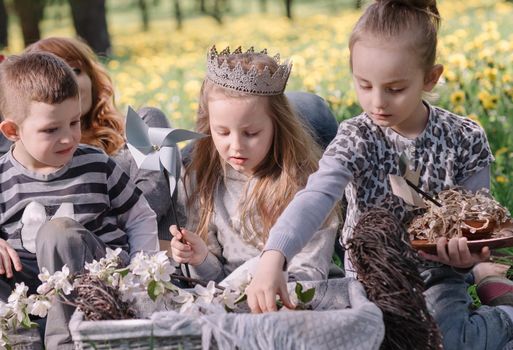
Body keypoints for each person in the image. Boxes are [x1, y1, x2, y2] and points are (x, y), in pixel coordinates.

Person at [245, 0, 513, 348]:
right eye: (364, 85)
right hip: (372, 276)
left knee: (446, 341)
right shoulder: (356, 136)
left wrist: (468, 258)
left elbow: (479, 221)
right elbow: (316, 196)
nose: (377, 103)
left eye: (395, 89)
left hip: (438, 275)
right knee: (374, 338)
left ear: (431, 77)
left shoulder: (464, 138)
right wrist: (274, 257)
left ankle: (505, 313)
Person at [0, 52, 158, 349]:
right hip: (30, 292)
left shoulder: (95, 164)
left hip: (91, 286)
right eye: (51, 129)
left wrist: (142, 271)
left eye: (74, 122)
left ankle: (69, 342)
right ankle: (17, 341)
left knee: (59, 233)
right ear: (12, 131)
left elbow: (139, 215)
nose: (68, 138)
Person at [169, 46, 339, 284]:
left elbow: (309, 272)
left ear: (277, 126)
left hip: (293, 295)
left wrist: (259, 276)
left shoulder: (304, 183)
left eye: (251, 133)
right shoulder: (203, 182)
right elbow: (215, 280)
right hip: (229, 302)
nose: (236, 145)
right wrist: (201, 258)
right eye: (223, 132)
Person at [21, 37, 174, 251]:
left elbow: (152, 201)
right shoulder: (32, 158)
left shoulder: (144, 124)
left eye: (75, 71)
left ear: (92, 77)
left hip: (141, 259)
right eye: (54, 79)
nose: (69, 84)